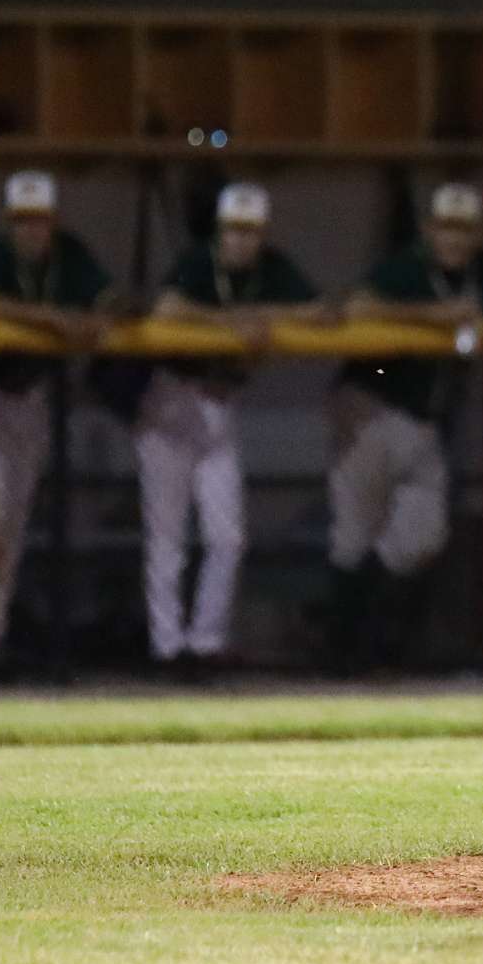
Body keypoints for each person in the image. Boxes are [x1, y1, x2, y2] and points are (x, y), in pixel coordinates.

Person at [326, 183, 483, 669]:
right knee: (354, 535)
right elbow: (356, 307)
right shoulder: (408, 268)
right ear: (429, 230)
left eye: (464, 228)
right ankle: (340, 655)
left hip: (424, 421)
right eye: (446, 227)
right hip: (371, 404)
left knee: (422, 538)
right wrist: (436, 316)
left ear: (479, 233)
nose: (454, 238)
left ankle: (368, 639)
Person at [139, 182, 329, 676]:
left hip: (220, 404)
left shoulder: (271, 268)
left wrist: (257, 315)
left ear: (262, 234)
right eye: (233, 230)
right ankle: (167, 649)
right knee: (167, 538)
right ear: (220, 231)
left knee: (228, 536)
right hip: (171, 399)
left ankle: (205, 645)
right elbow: (166, 309)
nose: (240, 240)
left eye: (250, 231)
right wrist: (229, 324)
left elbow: (321, 313)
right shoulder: (198, 261)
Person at [0, 171, 111, 676]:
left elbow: (109, 300)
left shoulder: (68, 255)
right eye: (22, 220)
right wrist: (51, 318)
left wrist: (94, 317)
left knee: (9, 523)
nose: (31, 229)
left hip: (27, 400)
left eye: (39, 220)